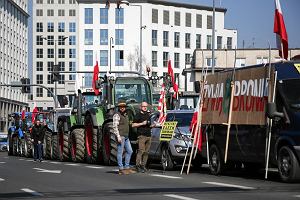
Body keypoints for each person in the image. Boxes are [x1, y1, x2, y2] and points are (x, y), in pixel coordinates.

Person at [112, 99, 136, 175]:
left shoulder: (125, 115)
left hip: (126, 136)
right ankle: (121, 168)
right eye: (121, 107)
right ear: (119, 107)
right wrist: (118, 136)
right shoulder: (116, 115)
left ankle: (126, 167)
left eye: (124, 107)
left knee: (130, 151)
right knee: (120, 152)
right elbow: (115, 126)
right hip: (121, 136)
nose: (122, 108)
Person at [132, 102, 152, 173]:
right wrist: (141, 123)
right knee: (141, 151)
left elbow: (149, 124)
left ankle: (143, 165)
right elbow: (133, 125)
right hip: (141, 135)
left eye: (146, 106)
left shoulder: (148, 115)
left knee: (147, 152)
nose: (145, 108)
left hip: (148, 135)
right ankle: (137, 165)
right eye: (143, 106)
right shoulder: (138, 115)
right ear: (141, 107)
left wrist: (154, 125)